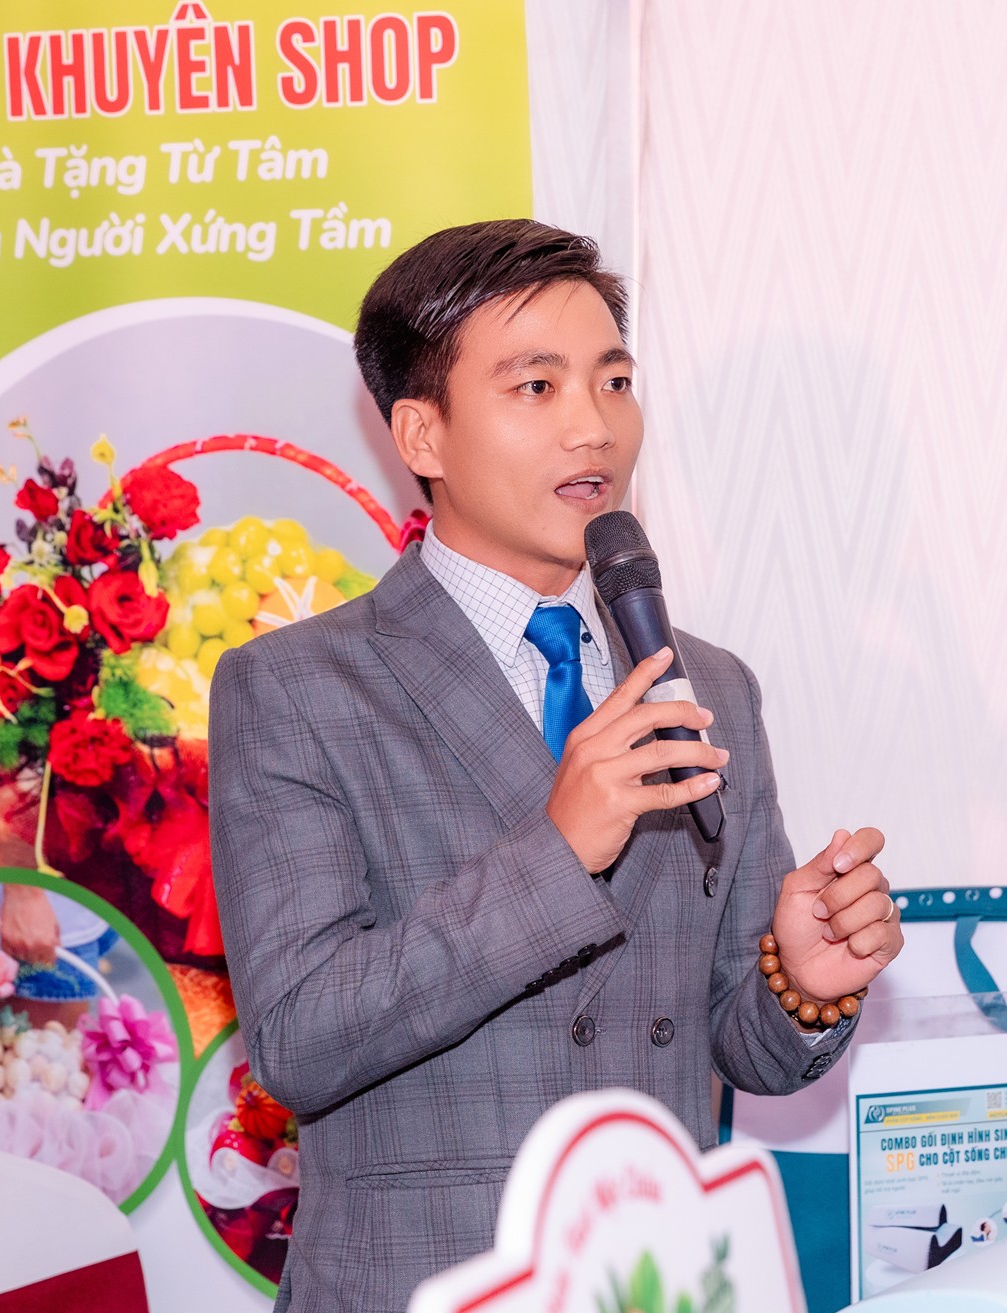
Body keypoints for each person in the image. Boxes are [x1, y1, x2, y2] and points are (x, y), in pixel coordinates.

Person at [209, 218, 904, 1312]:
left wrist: (800, 984)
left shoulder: (708, 684)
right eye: (536, 388)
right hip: (431, 1283)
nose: (594, 426)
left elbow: (747, 1049)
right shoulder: (299, 688)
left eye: (613, 381)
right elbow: (299, 1038)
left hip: (658, 1280)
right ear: (422, 434)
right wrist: (557, 851)